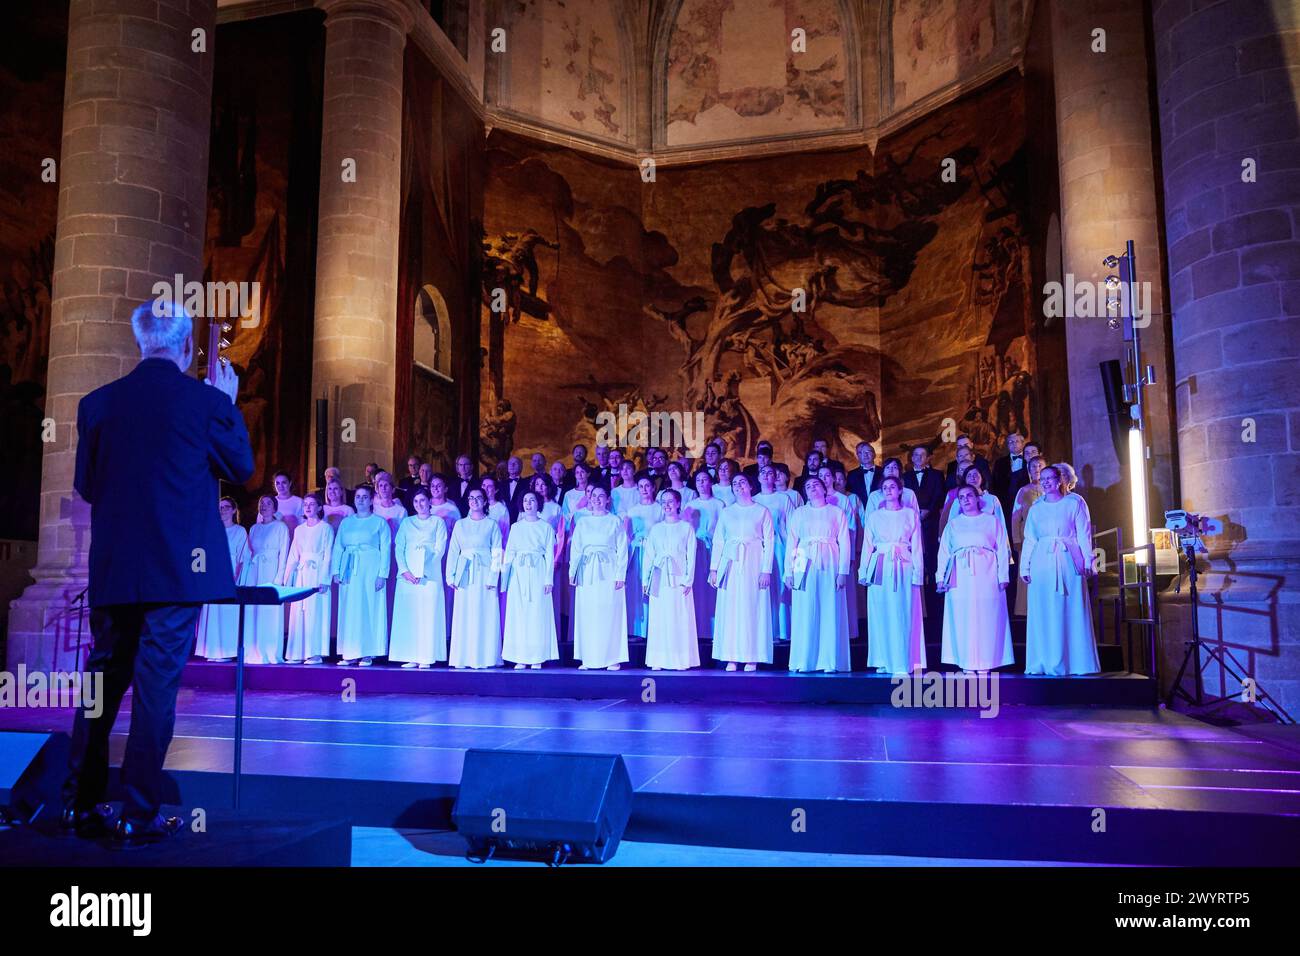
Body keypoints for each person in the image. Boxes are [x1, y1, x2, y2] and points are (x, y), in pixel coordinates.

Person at [63, 299, 253, 845]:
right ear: (187, 345)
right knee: (154, 692)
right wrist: (228, 404)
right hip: (177, 571)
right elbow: (241, 468)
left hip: (117, 569)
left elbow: (87, 485)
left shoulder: (97, 404)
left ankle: (78, 804)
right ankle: (138, 813)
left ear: (139, 341)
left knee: (99, 685)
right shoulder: (205, 402)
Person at [1021, 464, 1100, 675]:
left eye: (1050, 478)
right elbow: (1030, 538)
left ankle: (1076, 662)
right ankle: (1043, 661)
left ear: (1060, 481)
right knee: (1044, 609)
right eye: (1042, 479)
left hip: (1068, 559)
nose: (1045, 482)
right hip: (1042, 562)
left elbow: (1084, 534)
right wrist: (1025, 566)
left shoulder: (1075, 502)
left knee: (1070, 608)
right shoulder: (1036, 508)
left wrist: (1088, 561)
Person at [936, 485, 1014, 672]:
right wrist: (940, 577)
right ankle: (966, 660)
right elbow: (944, 552)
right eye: (961, 497)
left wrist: (1003, 575)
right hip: (960, 575)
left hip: (986, 572)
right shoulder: (953, 524)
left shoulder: (991, 521)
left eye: (969, 495)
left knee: (987, 615)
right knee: (963, 616)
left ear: (977, 498)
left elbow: (1002, 549)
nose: (966, 499)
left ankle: (986, 661)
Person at [858, 475, 925, 676]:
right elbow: (867, 546)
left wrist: (917, 574)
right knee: (881, 612)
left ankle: (903, 660)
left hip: (903, 565)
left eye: (892, 487)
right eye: (885, 487)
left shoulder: (910, 514)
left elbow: (917, 547)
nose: (888, 490)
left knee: (902, 611)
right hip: (879, 565)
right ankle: (883, 659)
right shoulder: (874, 517)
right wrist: (863, 572)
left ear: (899, 491)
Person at [784, 477, 851, 672]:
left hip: (830, 561)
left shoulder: (836, 512)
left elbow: (845, 543)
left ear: (824, 489)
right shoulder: (799, 513)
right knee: (805, 608)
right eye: (808, 486)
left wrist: (842, 572)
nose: (812, 488)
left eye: (815, 485)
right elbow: (792, 543)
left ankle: (829, 660)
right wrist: (789, 572)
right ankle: (804, 660)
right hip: (804, 561)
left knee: (829, 607)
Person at [710, 474, 774, 671]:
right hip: (730, 564)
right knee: (731, 608)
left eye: (742, 482)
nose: (738, 485)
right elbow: (719, 541)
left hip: (753, 562)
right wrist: (714, 568)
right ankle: (731, 655)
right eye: (735, 483)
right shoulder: (727, 512)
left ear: (750, 485)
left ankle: (752, 655)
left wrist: (766, 571)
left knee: (752, 606)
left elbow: (769, 541)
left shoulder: (762, 511)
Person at [568, 486, 630, 670]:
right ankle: (589, 658)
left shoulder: (615, 521)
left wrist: (620, 575)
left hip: (609, 570)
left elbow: (622, 550)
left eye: (601, 496)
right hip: (587, 572)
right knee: (588, 612)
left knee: (609, 612)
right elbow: (576, 549)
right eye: (593, 496)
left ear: (608, 499)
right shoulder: (583, 522)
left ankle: (611, 658)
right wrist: (573, 572)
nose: (597, 499)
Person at [389, 488, 450, 668]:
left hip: (428, 576)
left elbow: (440, 549)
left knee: (427, 615)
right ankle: (411, 655)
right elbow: (399, 548)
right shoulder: (407, 523)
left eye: (422, 500)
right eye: (416, 502)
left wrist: (423, 569)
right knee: (410, 616)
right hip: (408, 577)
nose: (419, 505)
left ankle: (426, 656)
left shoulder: (437, 522)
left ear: (429, 501)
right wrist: (405, 571)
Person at [331, 485, 391, 665]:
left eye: (365, 496)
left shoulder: (379, 522)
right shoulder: (346, 522)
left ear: (372, 499)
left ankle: (367, 651)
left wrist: (382, 574)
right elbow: (338, 547)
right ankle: (350, 652)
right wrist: (336, 570)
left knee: (368, 607)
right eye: (358, 496)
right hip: (349, 569)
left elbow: (386, 549)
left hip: (370, 569)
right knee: (349, 609)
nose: (361, 499)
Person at [446, 488, 504, 669]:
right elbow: (454, 551)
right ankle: (464, 657)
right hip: (464, 574)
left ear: (485, 501)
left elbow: (497, 552)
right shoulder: (460, 524)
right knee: (465, 613)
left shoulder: (491, 524)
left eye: (479, 498)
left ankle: (485, 657)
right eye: (471, 498)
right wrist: (451, 576)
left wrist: (493, 578)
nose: (474, 501)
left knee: (484, 614)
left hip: (485, 574)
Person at [641, 489, 699, 670]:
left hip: (678, 578)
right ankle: (658, 659)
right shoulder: (656, 529)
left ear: (678, 504)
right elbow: (649, 556)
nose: (667, 505)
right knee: (660, 618)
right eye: (663, 502)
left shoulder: (686, 528)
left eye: (670, 501)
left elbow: (691, 556)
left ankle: (680, 660)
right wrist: (646, 580)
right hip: (659, 578)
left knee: (678, 617)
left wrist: (688, 580)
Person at [501, 491, 559, 669]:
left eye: (532, 500)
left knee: (537, 613)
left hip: (538, 572)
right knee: (519, 614)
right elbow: (509, 554)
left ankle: (537, 657)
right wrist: (504, 580)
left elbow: (550, 555)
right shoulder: (516, 527)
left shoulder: (546, 527)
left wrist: (548, 580)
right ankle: (520, 656)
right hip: (518, 574)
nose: (528, 504)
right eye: (525, 500)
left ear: (538, 503)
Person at [194, 497, 249, 662]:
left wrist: (235, 577)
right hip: (213, 572)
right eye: (220, 507)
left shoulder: (240, 531)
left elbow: (242, 557)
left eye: (226, 507)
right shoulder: (211, 530)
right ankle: (213, 649)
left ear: (233, 510)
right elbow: (201, 552)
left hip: (230, 573)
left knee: (227, 612)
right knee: (213, 611)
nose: (222, 510)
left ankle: (227, 650)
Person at [283, 492, 334, 664]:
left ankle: (315, 653)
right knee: (299, 613)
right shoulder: (299, 529)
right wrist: (287, 579)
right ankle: (297, 652)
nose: (308, 507)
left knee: (315, 613)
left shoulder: (325, 528)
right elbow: (293, 555)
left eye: (312, 504)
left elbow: (328, 555)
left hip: (317, 574)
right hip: (302, 575)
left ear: (319, 507)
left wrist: (324, 579)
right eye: (305, 504)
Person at [243, 494, 290, 664]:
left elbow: (283, 553)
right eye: (261, 503)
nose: (264, 506)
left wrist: (279, 577)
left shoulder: (281, 527)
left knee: (269, 612)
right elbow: (249, 553)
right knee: (254, 611)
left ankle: (270, 652)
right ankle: (254, 651)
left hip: (271, 571)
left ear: (275, 507)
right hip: (255, 572)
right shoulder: (254, 528)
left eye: (268, 503)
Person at [753, 465, 795, 643]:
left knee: (779, 588)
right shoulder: (753, 500)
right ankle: (762, 630)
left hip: (778, 547)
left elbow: (792, 527)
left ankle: (782, 631)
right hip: (757, 548)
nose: (766, 475)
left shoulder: (783, 498)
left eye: (771, 473)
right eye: (763, 472)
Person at [683, 470, 725, 639]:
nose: (701, 483)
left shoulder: (719, 504)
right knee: (697, 588)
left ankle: (714, 630)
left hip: (713, 549)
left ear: (710, 482)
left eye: (704, 479)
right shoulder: (690, 505)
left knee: (712, 589)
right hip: (696, 549)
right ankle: (699, 628)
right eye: (698, 480)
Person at [372, 471, 408, 645]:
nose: (383, 488)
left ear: (392, 489)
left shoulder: (400, 510)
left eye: (387, 485)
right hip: (376, 555)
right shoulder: (373, 509)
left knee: (392, 593)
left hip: (394, 553)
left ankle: (393, 633)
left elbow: (405, 534)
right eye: (380, 486)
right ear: (377, 489)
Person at [624, 477, 662, 639]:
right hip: (637, 551)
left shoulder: (660, 509)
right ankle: (638, 630)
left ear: (653, 488)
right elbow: (627, 535)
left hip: (654, 553)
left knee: (653, 589)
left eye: (647, 485)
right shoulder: (632, 511)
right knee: (636, 590)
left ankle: (653, 628)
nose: (644, 489)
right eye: (641, 486)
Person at [427, 475, 462, 648]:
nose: (435, 488)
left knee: (447, 594)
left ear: (445, 488)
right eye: (433, 485)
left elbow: (459, 533)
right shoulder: (425, 507)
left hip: (447, 554)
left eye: (439, 485)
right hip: (428, 558)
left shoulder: (452, 508)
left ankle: (447, 633)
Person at [1011, 455, 1046, 616]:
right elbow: (1016, 516)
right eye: (1033, 467)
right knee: (1027, 571)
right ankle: (1025, 609)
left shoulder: (1052, 489)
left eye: (1039, 466)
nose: (1036, 469)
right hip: (1028, 537)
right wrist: (1017, 539)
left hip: (1047, 537)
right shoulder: (1023, 491)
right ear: (1028, 470)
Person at [532, 475, 567, 638]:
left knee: (551, 594)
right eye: (537, 484)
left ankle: (552, 635)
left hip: (551, 554)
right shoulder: (529, 506)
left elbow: (560, 535)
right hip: (533, 556)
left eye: (543, 484)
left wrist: (557, 557)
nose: (540, 487)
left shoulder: (555, 508)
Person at [990, 432, 1030, 523]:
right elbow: (994, 484)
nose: (1014, 444)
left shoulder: (1029, 460)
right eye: (1011, 442)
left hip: (1027, 502)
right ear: (1007, 445)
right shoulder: (999, 463)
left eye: (1017, 441)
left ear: (1022, 443)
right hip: (1006, 505)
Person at [845, 441, 884, 506]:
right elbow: (849, 494)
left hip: (880, 508)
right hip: (859, 510)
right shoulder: (852, 475)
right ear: (857, 456)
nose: (865, 455)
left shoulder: (883, 472)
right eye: (861, 453)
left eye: (868, 451)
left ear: (874, 454)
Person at [272, 471, 303, 536]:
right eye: (277, 483)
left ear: (290, 483)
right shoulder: (270, 502)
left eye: (284, 482)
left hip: (293, 539)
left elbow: (303, 524)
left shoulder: (299, 502)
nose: (281, 486)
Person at [502, 456, 529, 521]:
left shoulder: (527, 484)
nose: (512, 465)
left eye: (515, 463)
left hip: (520, 519)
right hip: (503, 519)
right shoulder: (500, 484)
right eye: (510, 463)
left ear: (521, 467)